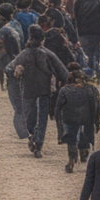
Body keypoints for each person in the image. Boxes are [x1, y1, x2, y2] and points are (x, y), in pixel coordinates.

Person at [9, 24, 69, 158]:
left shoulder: (23, 54)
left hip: (28, 90)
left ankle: (33, 138)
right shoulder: (48, 54)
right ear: (42, 39)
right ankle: (38, 142)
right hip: (44, 91)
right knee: (42, 118)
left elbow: (10, 68)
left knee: (29, 117)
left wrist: (18, 72)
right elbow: (63, 72)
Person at [55, 69, 100, 173]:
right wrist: (96, 122)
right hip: (85, 117)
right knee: (83, 133)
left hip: (69, 117)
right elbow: (95, 107)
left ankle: (71, 159)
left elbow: (58, 107)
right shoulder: (90, 90)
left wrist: (58, 121)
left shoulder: (64, 90)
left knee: (71, 138)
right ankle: (84, 150)